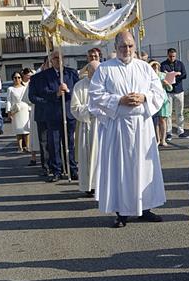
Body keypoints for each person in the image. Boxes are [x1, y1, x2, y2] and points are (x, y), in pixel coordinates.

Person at [89, 29, 167, 226]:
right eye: (123, 46)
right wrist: (119, 100)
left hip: (142, 126)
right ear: (116, 47)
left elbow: (158, 92)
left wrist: (144, 97)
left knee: (144, 168)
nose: (127, 49)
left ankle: (145, 207)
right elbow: (95, 96)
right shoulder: (105, 69)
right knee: (121, 169)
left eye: (130, 45)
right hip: (118, 128)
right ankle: (122, 212)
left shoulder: (145, 68)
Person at [28, 49, 81, 182]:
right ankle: (56, 170)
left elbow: (77, 91)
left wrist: (67, 91)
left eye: (60, 58)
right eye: (55, 58)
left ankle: (72, 169)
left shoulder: (71, 73)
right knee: (54, 144)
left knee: (69, 144)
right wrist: (56, 94)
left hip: (68, 113)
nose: (58, 60)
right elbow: (44, 92)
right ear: (51, 60)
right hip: (53, 114)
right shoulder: (45, 75)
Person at [70, 60, 101, 197]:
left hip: (103, 125)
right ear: (88, 71)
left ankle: (103, 184)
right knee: (88, 156)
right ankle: (89, 186)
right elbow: (74, 108)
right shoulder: (80, 86)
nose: (95, 74)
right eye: (93, 71)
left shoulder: (105, 84)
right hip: (87, 125)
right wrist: (91, 110)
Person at [160, 47, 188, 140]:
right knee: (168, 113)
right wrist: (172, 75)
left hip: (179, 91)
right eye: (171, 56)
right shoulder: (163, 65)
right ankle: (169, 132)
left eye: (174, 56)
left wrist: (176, 76)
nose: (172, 58)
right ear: (167, 55)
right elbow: (162, 75)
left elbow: (184, 74)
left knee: (180, 112)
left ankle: (181, 131)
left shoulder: (180, 64)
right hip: (168, 92)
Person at [149, 60, 173, 147]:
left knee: (162, 120)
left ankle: (163, 139)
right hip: (153, 99)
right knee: (155, 121)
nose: (155, 68)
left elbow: (170, 88)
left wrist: (166, 84)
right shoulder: (148, 76)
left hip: (163, 99)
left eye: (156, 66)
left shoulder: (163, 75)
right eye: (153, 66)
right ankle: (157, 140)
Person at [6, 71, 31, 152]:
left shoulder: (25, 88)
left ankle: (27, 146)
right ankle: (19, 147)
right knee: (18, 130)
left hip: (25, 110)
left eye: (19, 77)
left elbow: (28, 100)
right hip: (16, 110)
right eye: (15, 77)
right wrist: (9, 112)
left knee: (26, 130)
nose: (17, 79)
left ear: (21, 79)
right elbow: (9, 101)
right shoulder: (10, 89)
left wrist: (30, 109)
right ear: (13, 79)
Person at [20, 68, 38, 167]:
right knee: (34, 135)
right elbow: (26, 98)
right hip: (34, 110)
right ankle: (33, 157)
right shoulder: (33, 82)